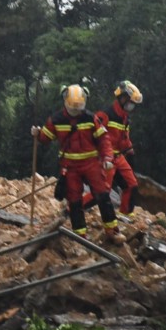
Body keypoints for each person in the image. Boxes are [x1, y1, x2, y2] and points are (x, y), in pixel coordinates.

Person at [31, 84, 121, 243]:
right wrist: (37, 133)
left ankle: (112, 230)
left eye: (78, 108)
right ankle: (80, 236)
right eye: (73, 108)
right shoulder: (56, 120)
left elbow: (104, 140)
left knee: (102, 195)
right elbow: (45, 138)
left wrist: (108, 158)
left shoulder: (90, 118)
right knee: (74, 200)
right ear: (65, 102)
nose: (76, 111)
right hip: (70, 167)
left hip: (91, 163)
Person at [82, 80, 143, 218]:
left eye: (133, 103)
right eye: (130, 102)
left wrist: (130, 153)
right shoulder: (105, 115)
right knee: (102, 191)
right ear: (122, 98)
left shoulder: (125, 119)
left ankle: (125, 215)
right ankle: (71, 209)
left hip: (118, 157)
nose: (131, 105)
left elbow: (125, 139)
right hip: (105, 158)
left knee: (131, 185)